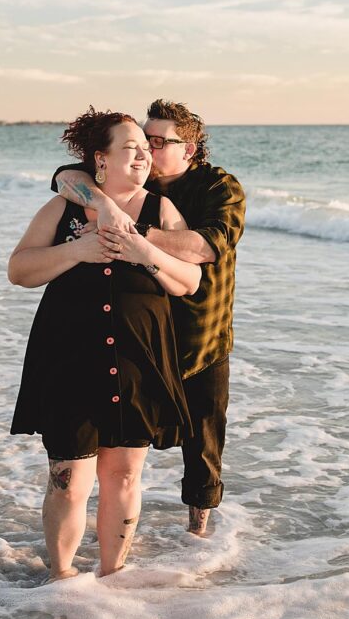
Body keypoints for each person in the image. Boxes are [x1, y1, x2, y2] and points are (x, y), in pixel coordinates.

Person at [9, 108, 201, 581]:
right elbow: (20, 271)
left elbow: (190, 281)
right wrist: (79, 249)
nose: (142, 156)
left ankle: (113, 578)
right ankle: (62, 580)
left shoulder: (161, 211)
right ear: (100, 159)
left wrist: (145, 253)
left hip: (139, 358)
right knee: (70, 480)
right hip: (69, 360)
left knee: (123, 477)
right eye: (130, 148)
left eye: (146, 149)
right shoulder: (64, 208)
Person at [53, 99, 245, 537]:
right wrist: (105, 205)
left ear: (190, 150)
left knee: (202, 440)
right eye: (143, 139)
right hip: (135, 333)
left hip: (200, 333)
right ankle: (100, 533)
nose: (147, 150)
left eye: (159, 142)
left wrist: (131, 230)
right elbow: (65, 176)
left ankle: (197, 537)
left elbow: (207, 247)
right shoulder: (129, 178)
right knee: (117, 446)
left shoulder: (220, 189)